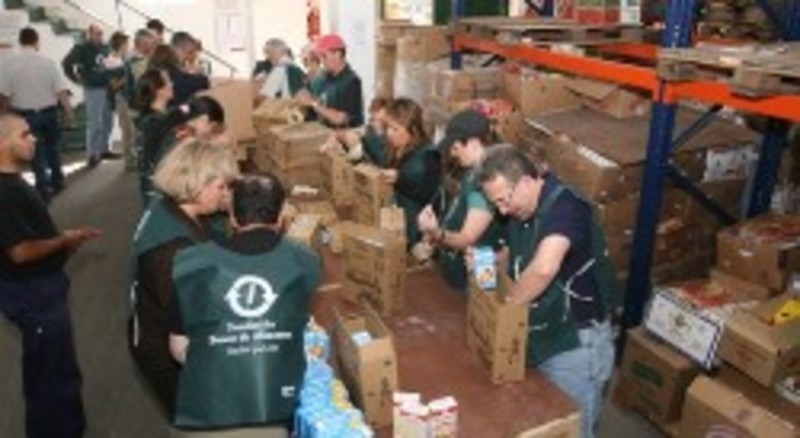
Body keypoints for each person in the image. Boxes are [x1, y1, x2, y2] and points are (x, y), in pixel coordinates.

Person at [476, 144, 617, 438]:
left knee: (575, 427)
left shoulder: (566, 208)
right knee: (546, 420)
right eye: (495, 204)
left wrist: (506, 310)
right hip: (542, 332)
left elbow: (543, 268)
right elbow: (521, 254)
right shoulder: (524, 209)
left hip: (574, 342)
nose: (502, 210)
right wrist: (494, 261)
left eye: (504, 200)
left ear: (526, 181)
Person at [168, 173, 321, 436]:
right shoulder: (305, 261)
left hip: (209, 410)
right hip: (276, 409)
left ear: (233, 218)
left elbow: (178, 348)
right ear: (281, 216)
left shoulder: (191, 265)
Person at [0, 113, 101, 438]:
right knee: (53, 374)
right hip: (32, 293)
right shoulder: (5, 192)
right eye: (23, 134)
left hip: (36, 289)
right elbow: (20, 251)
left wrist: (62, 244)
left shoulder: (14, 184)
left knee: (47, 369)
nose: (34, 138)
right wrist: (64, 240)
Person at [129, 139, 239, 419]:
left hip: (160, 327)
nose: (226, 195)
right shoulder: (172, 251)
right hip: (166, 353)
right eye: (221, 187)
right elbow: (190, 323)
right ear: (197, 184)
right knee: (200, 418)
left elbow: (211, 241)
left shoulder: (170, 207)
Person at [417, 109, 506, 293]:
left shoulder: (486, 181)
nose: (453, 154)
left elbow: (467, 238)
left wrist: (436, 232)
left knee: (479, 305)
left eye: (456, 148)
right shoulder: (473, 171)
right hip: (460, 270)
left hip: (477, 273)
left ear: (473, 143)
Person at [0, 27, 73, 200]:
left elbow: (5, 95)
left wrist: (4, 115)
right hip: (49, 113)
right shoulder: (48, 62)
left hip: (25, 116)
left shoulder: (8, 64)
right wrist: (68, 111)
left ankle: (43, 186)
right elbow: (60, 91)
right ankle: (58, 180)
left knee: (36, 152)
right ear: (36, 41)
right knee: (52, 148)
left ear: (20, 41)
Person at [381, 98, 440, 252]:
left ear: (413, 129)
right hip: (396, 227)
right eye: (387, 127)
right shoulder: (395, 148)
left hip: (417, 236)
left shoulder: (429, 155)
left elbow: (429, 194)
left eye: (395, 129)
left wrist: (400, 179)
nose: (389, 133)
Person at [62, 24, 116, 167]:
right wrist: (76, 79)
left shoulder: (106, 48)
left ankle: (104, 150)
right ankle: (92, 154)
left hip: (107, 88)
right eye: (97, 33)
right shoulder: (81, 48)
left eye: (101, 33)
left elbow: (110, 65)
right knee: (95, 123)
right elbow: (66, 63)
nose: (99, 36)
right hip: (93, 89)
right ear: (90, 34)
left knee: (108, 121)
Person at [295, 34, 363, 128]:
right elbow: (307, 92)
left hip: (342, 134)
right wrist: (303, 93)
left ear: (337, 54)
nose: (322, 61)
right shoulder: (323, 77)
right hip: (321, 131)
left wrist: (313, 103)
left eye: (324, 56)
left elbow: (340, 119)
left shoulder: (351, 81)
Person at [106, 31, 137, 172]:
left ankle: (133, 158)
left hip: (128, 97)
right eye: (126, 43)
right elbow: (113, 85)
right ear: (121, 44)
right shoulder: (111, 61)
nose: (128, 46)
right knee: (127, 131)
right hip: (121, 98)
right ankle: (129, 162)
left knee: (132, 130)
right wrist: (128, 78)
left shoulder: (124, 59)